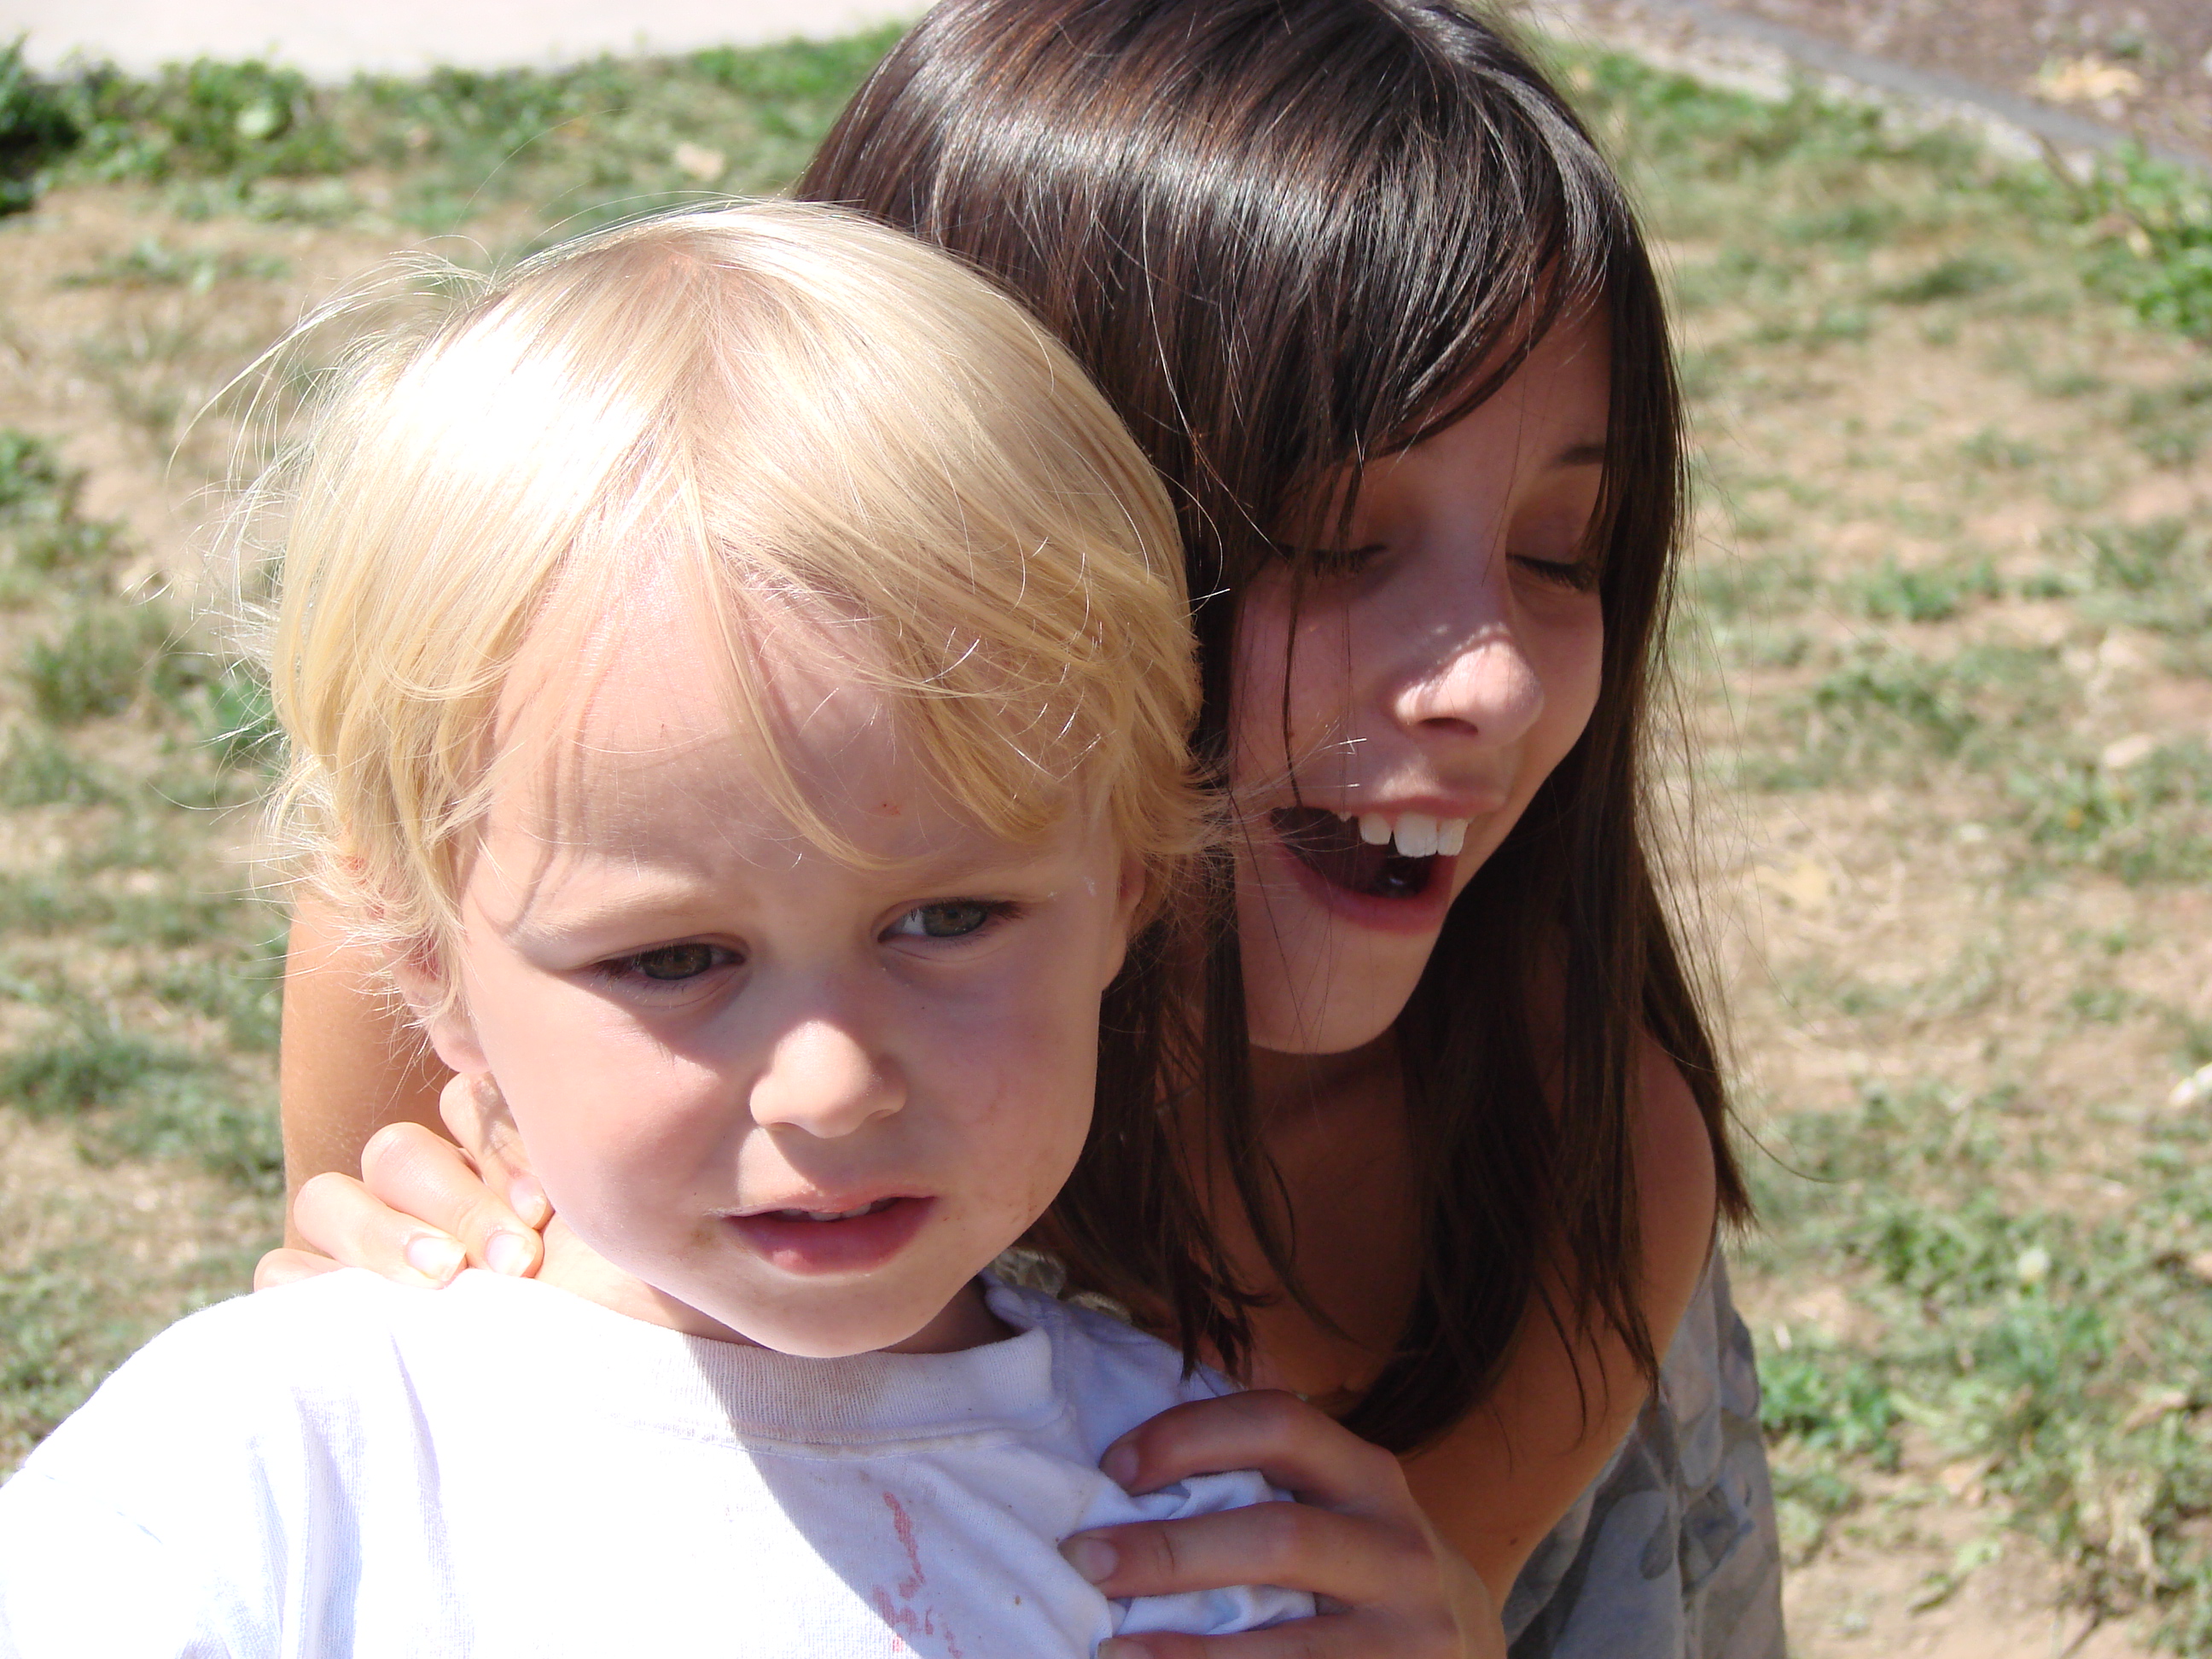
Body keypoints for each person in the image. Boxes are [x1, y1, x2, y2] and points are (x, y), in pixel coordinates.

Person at [264, 4, 1786, 1655]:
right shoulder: (456, 942)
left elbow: (1388, 1605)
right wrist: (388, 1308)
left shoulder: (1578, 1150)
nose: (1494, 678)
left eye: (1563, 552)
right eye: (1335, 536)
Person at [0, 202, 1318, 1657]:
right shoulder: (266, 1477)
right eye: (675, 958)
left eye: (947, 919)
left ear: (1128, 883)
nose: (831, 1084)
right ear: (428, 958)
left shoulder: (1199, 1509)